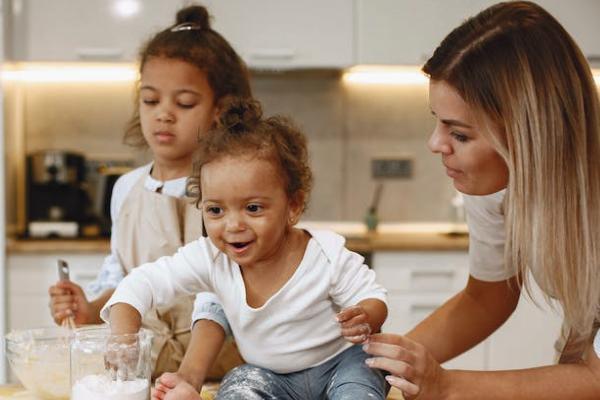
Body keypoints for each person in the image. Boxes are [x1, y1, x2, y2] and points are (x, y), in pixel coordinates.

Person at [363, 1, 600, 399]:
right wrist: (376, 368)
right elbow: (487, 295)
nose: (435, 144)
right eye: (437, 121)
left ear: (528, 138)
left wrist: (447, 386)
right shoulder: (496, 182)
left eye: (459, 134)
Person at [102, 97, 390, 400]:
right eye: (215, 211)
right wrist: (123, 336)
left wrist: (364, 316)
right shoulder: (211, 258)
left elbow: (373, 297)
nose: (233, 225)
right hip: (272, 377)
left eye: (252, 208)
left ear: (292, 206)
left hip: (341, 365)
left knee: (364, 376)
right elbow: (142, 282)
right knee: (239, 382)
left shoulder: (325, 253)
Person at [47, 4, 251, 384]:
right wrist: (89, 308)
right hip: (145, 376)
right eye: (151, 100)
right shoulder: (126, 188)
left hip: (224, 377)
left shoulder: (234, 187)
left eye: (184, 103)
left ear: (220, 110)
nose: (164, 114)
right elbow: (121, 276)